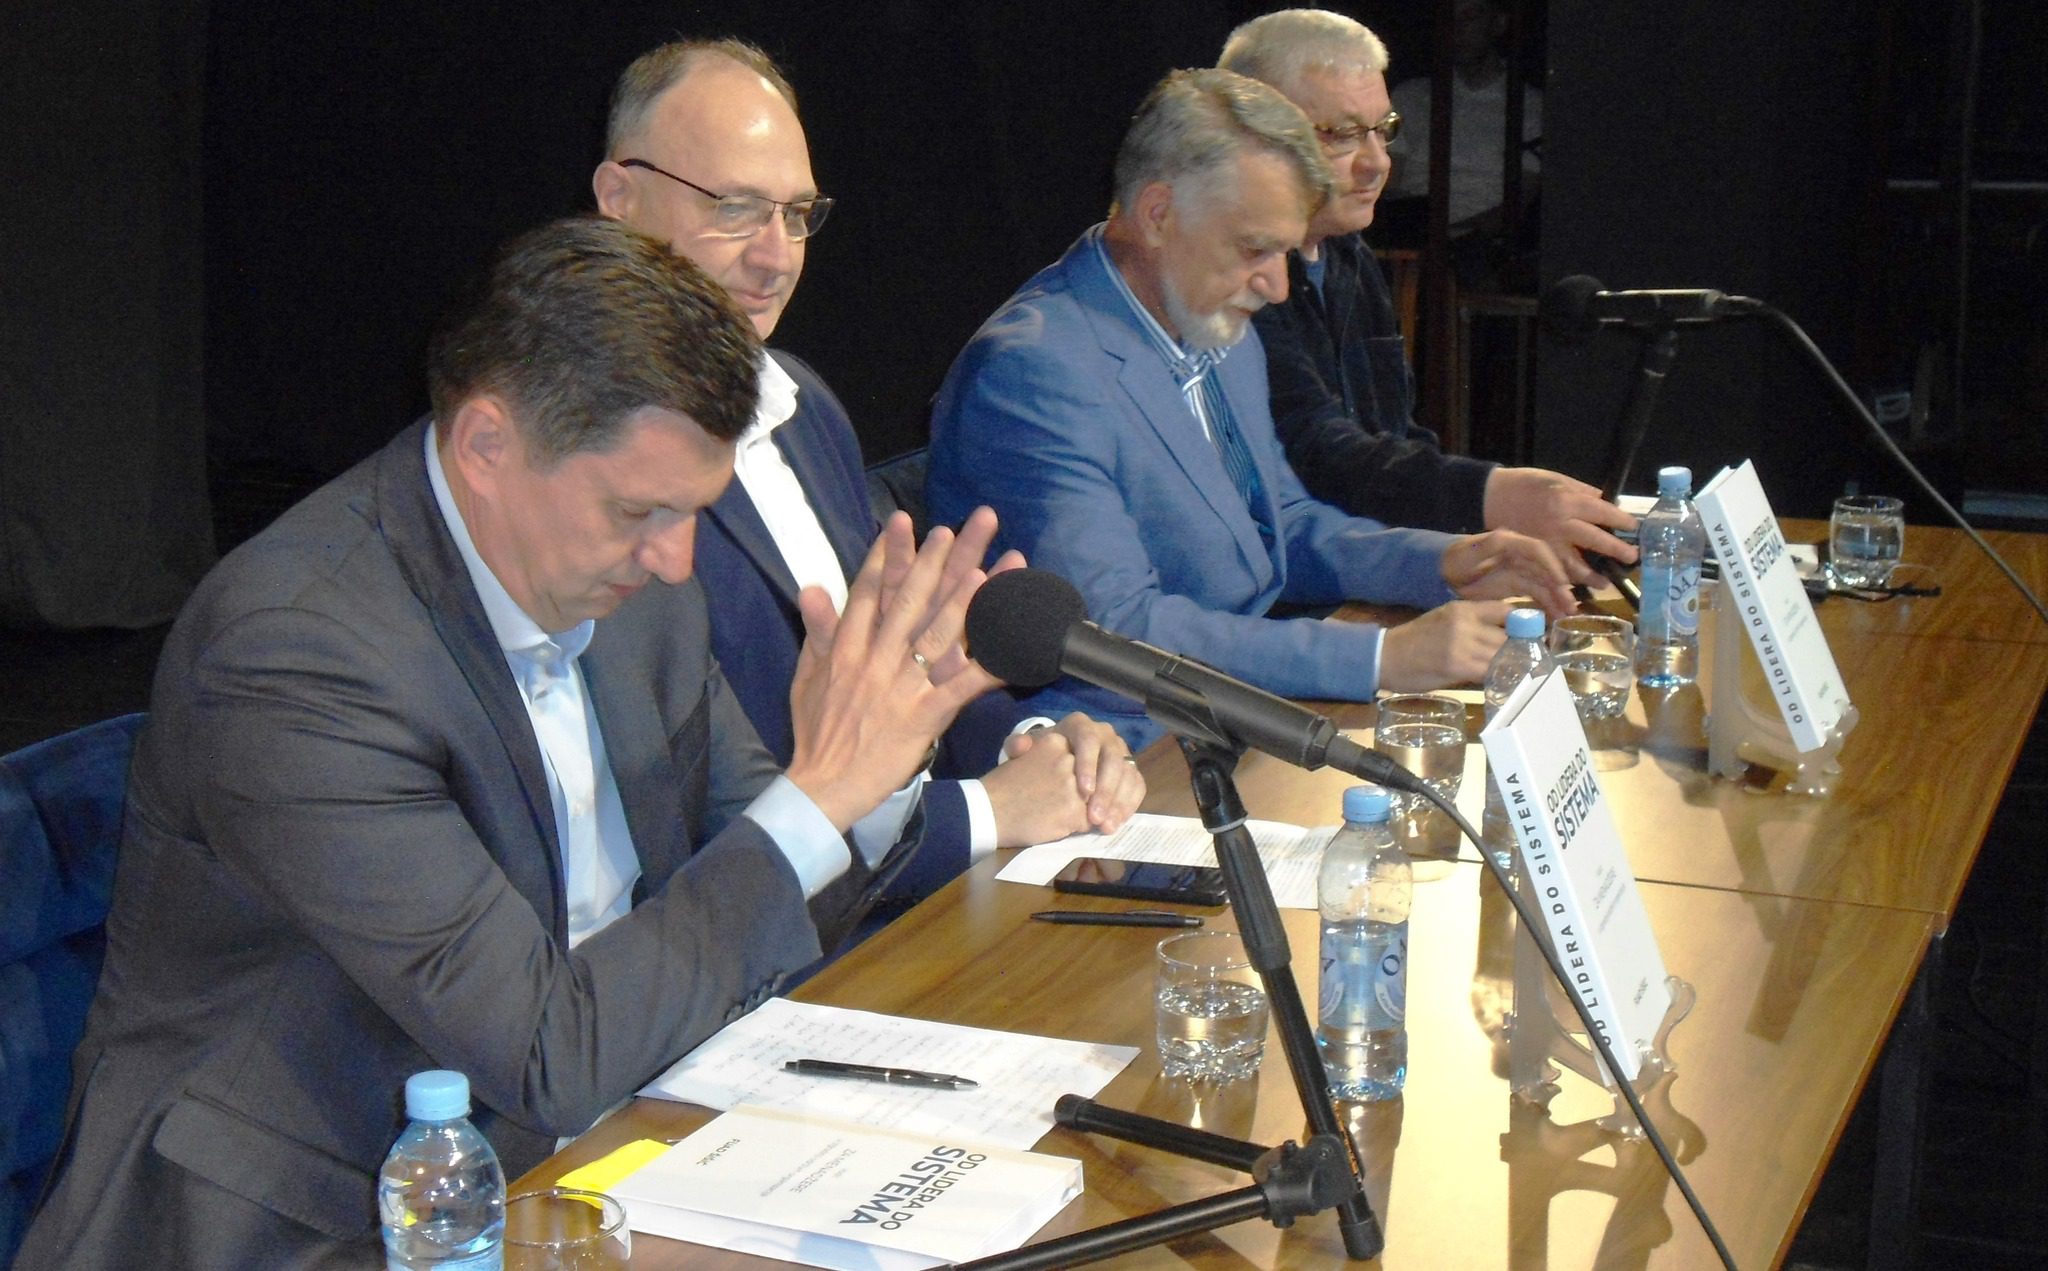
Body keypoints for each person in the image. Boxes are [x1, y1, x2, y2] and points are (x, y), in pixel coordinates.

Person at [18, 217, 1007, 1267]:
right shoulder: (298, 654)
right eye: (638, 510)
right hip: (329, 1209)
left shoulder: (634, 588)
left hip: (605, 1136)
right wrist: (818, 794)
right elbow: (546, 1052)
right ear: (487, 445)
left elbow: (761, 883)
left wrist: (872, 767)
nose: (677, 561)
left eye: (693, 512)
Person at [589, 40, 1141, 889]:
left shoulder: (803, 405)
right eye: (736, 208)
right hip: (791, 931)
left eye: (796, 214)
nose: (777, 256)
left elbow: (903, 682)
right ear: (618, 199)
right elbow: (707, 809)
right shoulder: (589, 459)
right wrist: (987, 812)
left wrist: (1030, 745)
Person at [925, 68, 1575, 749]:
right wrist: (1381, 657)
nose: (1277, 286)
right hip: (1121, 750)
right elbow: (1115, 636)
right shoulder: (1035, 372)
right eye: (1254, 249)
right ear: (1157, 214)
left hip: (1240, 711)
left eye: (1285, 251)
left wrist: (1444, 562)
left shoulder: (1210, 321)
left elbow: (1280, 525)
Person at [1218, 8, 1634, 581]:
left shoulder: (1348, 254)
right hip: (1293, 587)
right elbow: (1314, 451)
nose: (1378, 162)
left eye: (1382, 129)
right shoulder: (1229, 269)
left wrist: (1487, 539)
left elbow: (1395, 437)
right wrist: (1490, 499)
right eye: (1341, 135)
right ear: (1253, 135)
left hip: (1370, 565)